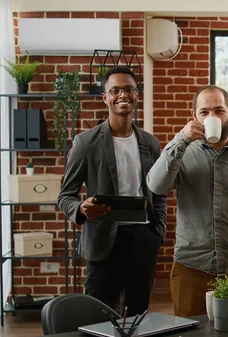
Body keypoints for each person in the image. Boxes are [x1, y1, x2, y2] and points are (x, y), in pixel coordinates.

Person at [146, 85, 228, 316]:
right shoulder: (180, 154)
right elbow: (156, 185)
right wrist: (181, 139)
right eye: (204, 112)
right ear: (194, 116)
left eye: (218, 111)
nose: (212, 117)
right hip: (191, 267)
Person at [57, 66, 167, 316]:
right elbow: (65, 196)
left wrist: (157, 232)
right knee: (98, 316)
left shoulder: (150, 143)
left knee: (139, 314)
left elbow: (159, 192)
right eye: (115, 90)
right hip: (103, 242)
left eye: (129, 89)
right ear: (104, 97)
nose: (123, 95)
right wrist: (81, 209)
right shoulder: (86, 143)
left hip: (143, 240)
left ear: (137, 94)